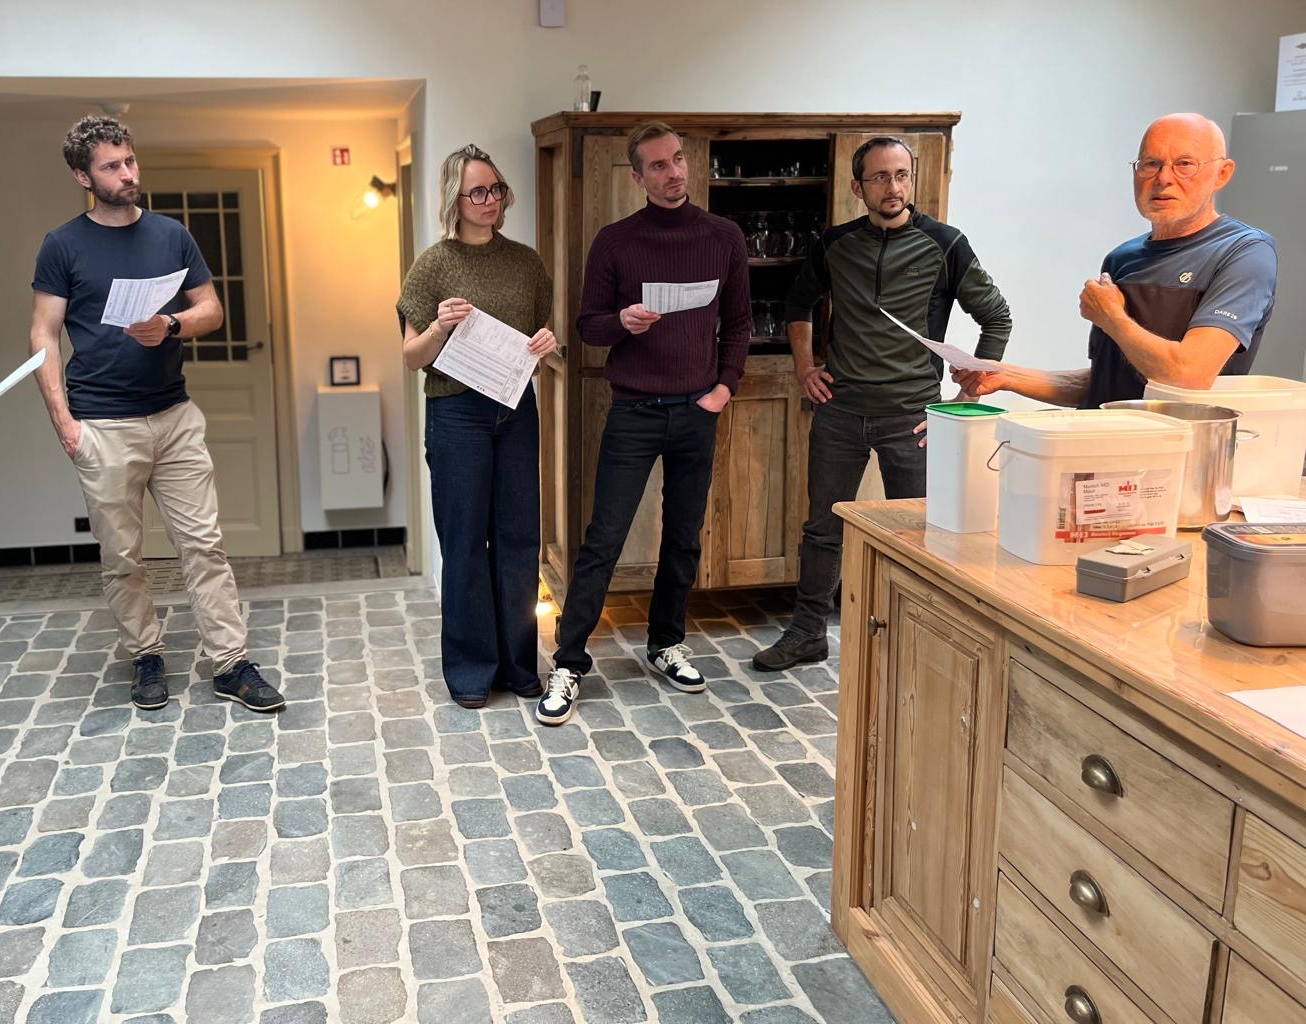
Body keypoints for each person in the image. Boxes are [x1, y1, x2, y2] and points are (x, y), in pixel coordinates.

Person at [31, 115, 284, 713]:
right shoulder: (62, 244)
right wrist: (64, 423)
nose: (127, 174)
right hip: (102, 424)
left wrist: (171, 323)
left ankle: (230, 663)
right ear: (83, 177)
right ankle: (145, 655)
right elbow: (43, 334)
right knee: (123, 557)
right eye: (111, 167)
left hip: (174, 416)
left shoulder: (172, 235)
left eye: (130, 161)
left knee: (205, 546)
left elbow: (211, 310)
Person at [753, 136, 1013, 672]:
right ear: (858, 187)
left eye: (901, 175)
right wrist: (804, 369)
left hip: (912, 418)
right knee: (822, 528)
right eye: (880, 177)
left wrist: (965, 400)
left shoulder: (946, 244)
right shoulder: (835, 244)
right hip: (839, 412)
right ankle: (807, 633)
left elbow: (997, 318)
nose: (893, 187)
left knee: (918, 531)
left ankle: (919, 642)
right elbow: (798, 304)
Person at [537, 121, 750, 726]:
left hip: (697, 410)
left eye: (678, 159)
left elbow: (738, 323)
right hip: (633, 412)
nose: (674, 172)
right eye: (658, 165)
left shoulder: (724, 236)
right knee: (603, 538)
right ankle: (569, 662)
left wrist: (723, 390)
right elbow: (588, 327)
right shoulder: (615, 241)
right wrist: (621, 323)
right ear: (637, 177)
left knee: (683, 536)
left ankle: (665, 643)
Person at [952, 114, 1277, 407]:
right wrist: (1006, 375)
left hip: (1177, 450)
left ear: (1222, 174)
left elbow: (1188, 376)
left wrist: (1111, 316)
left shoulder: (1244, 252)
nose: (1163, 178)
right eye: (1150, 163)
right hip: (1104, 445)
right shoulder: (1122, 259)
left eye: (1184, 164)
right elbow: (1107, 385)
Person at [397, 145, 556, 708]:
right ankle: (470, 670)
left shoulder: (526, 263)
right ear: (454, 200)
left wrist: (546, 345)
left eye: (496, 189)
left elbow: (534, 339)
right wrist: (439, 326)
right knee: (464, 542)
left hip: (514, 410)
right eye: (478, 192)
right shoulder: (433, 265)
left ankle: (518, 664)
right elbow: (411, 358)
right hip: (456, 414)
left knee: (519, 538)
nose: (490, 201)